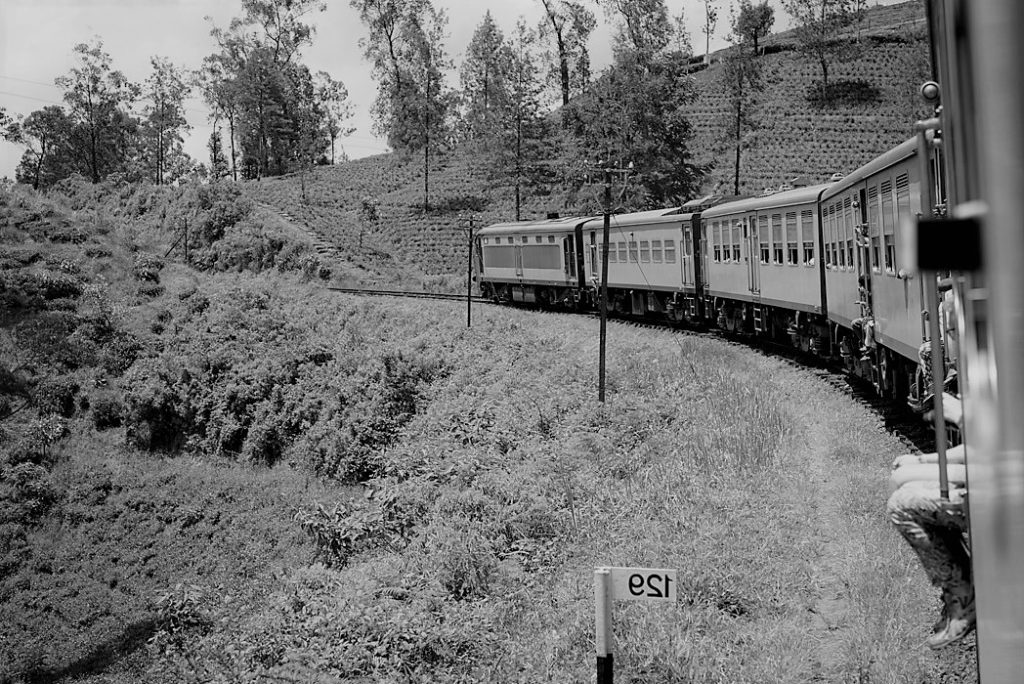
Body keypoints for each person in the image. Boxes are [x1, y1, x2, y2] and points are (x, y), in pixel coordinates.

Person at [887, 436, 975, 648]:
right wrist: (923, 461)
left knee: (899, 506)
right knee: (902, 482)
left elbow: (979, 448)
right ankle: (959, 590)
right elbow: (977, 447)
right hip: (984, 477)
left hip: (985, 487)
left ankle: (963, 598)